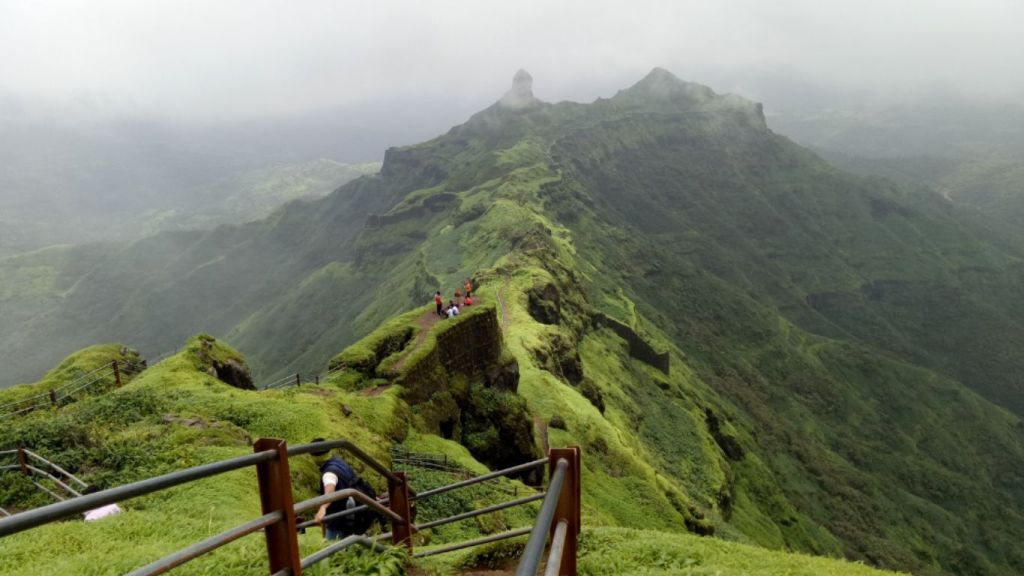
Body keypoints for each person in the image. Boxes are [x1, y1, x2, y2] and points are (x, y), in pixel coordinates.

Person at [309, 439, 379, 539]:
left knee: (332, 550)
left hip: (339, 520)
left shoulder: (329, 473)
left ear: (314, 457)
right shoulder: (339, 462)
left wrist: (323, 507)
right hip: (352, 513)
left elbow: (330, 490)